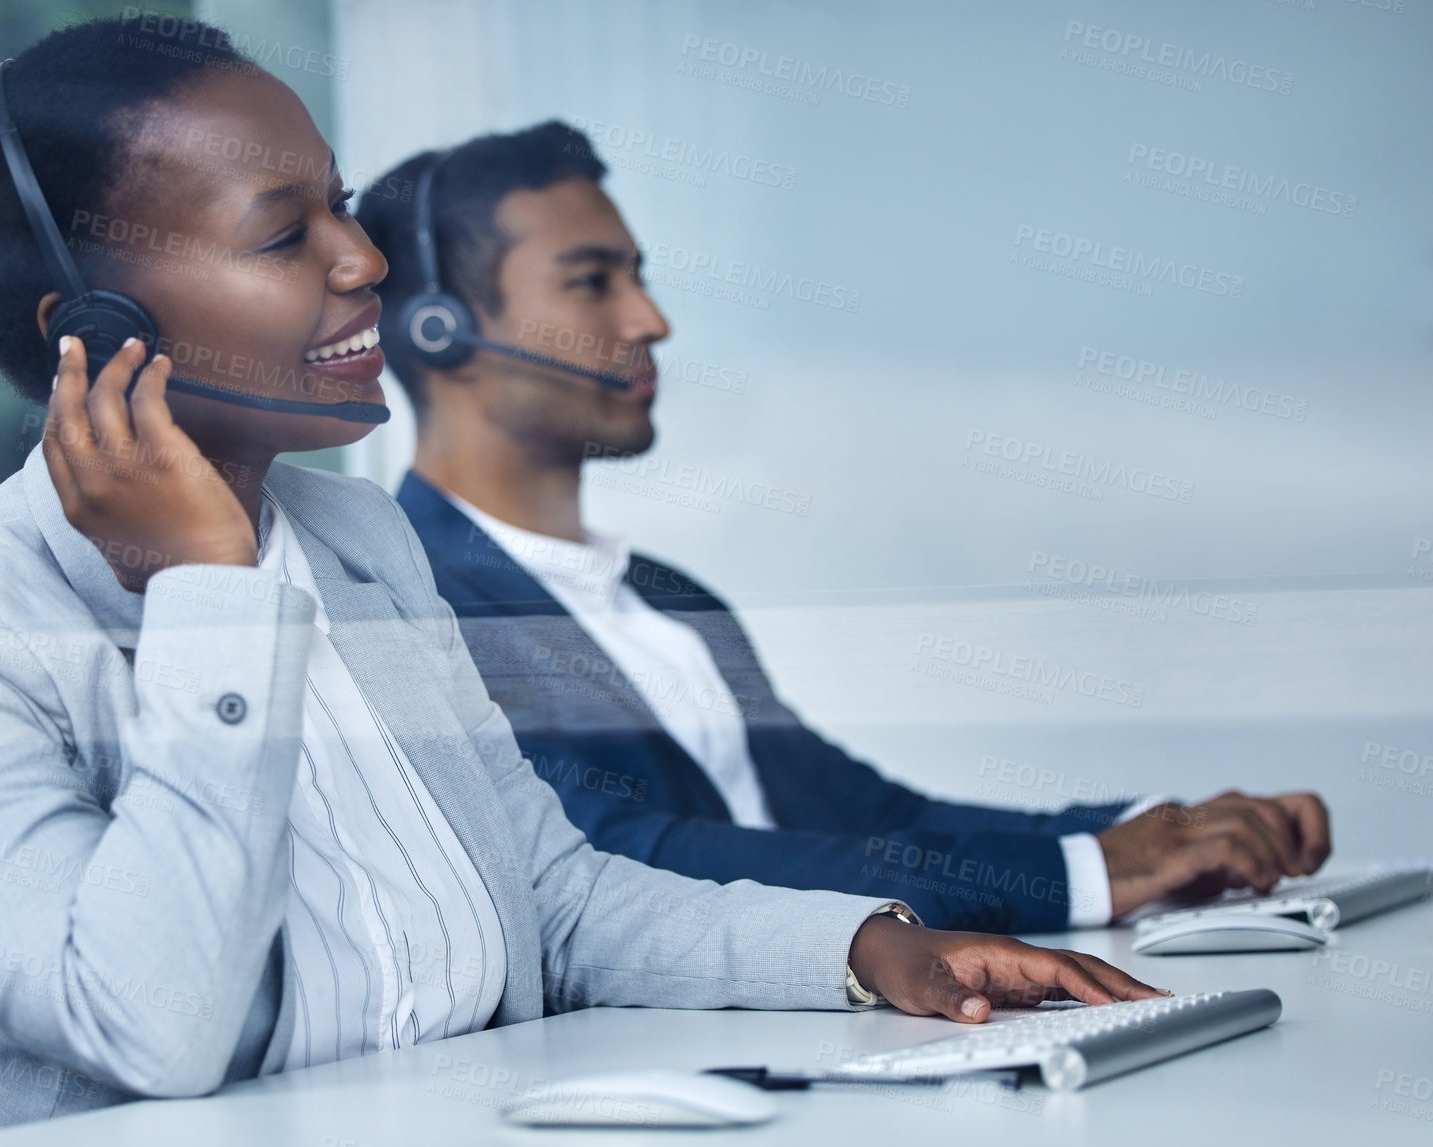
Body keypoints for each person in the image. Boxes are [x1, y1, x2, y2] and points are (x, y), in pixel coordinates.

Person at [0, 20, 1162, 1147]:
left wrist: (860, 947)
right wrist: (206, 600)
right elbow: (149, 1030)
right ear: (96, 333)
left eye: (339, 202)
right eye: (286, 237)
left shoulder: (358, 547)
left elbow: (551, 893)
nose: (365, 261)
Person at [354, 121, 1332, 936]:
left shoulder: (665, 595)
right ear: (442, 330)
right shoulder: (418, 603)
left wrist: (1154, 831)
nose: (650, 318)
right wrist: (1075, 874)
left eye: (639, 275)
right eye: (592, 281)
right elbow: (631, 855)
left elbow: (872, 819)